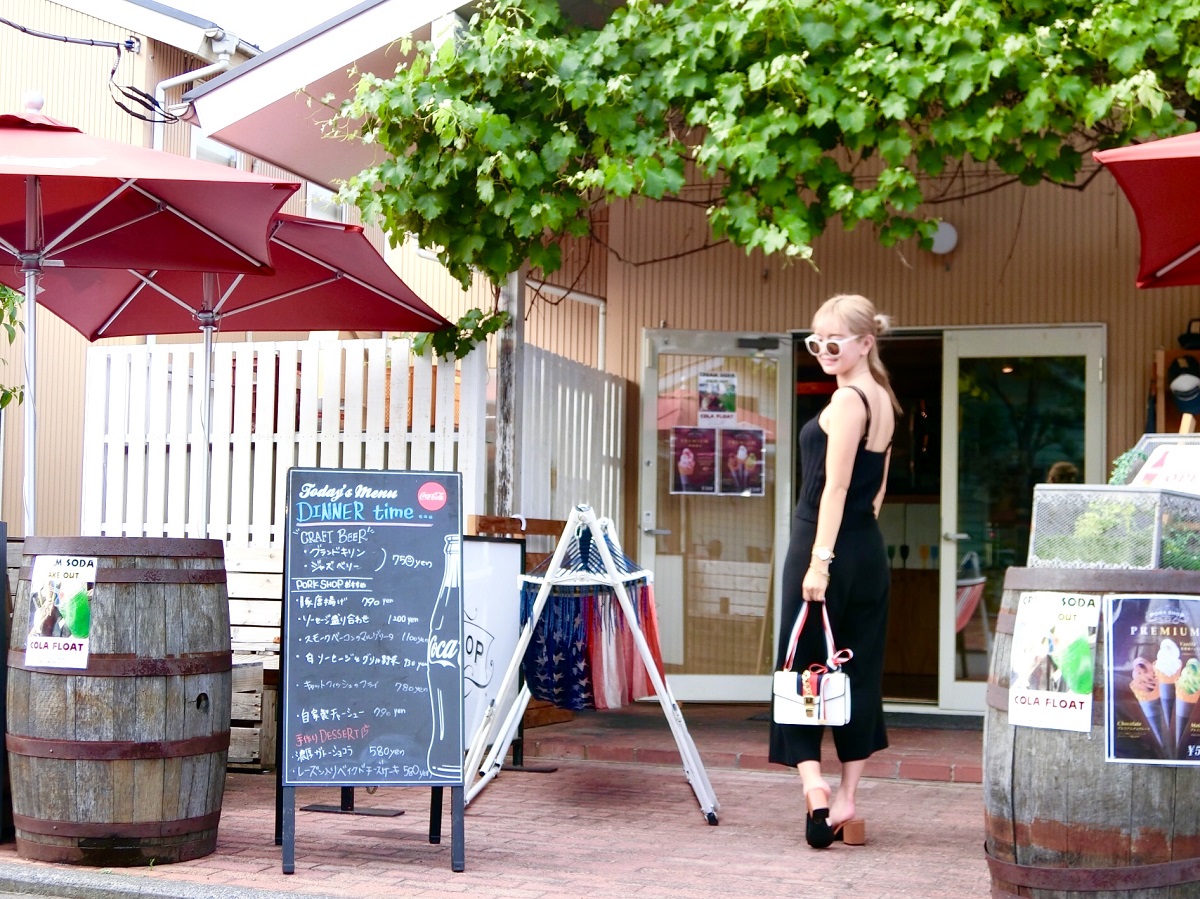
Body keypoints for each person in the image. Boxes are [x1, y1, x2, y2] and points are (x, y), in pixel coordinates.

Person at [769, 294, 900, 849]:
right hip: (867, 549)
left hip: (825, 546)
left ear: (865, 342)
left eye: (833, 341)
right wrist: (854, 546)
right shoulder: (886, 398)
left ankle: (814, 783)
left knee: (802, 667)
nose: (822, 350)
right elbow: (878, 492)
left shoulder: (849, 400)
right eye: (814, 341)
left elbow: (836, 486)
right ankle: (847, 796)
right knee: (858, 669)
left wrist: (821, 559)